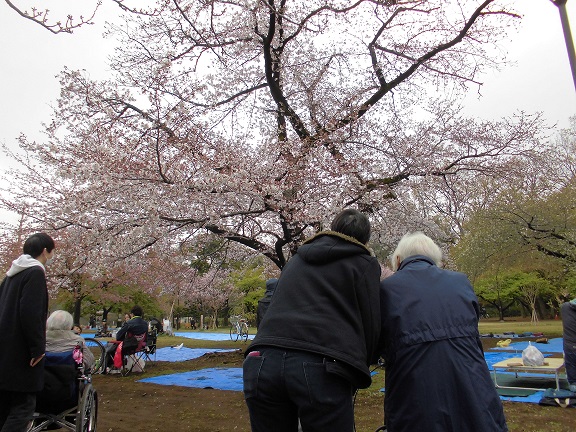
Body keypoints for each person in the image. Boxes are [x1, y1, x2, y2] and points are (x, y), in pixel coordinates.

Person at [243, 209, 381, 432]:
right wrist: (369, 359)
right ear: (366, 238)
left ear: (334, 228)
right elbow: (372, 322)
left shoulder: (297, 259)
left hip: (261, 360)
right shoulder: (364, 263)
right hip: (321, 365)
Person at [378, 232, 507, 432]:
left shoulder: (387, 288)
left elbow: (378, 342)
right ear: (435, 258)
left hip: (414, 392)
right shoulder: (461, 282)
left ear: (397, 259)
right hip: (473, 386)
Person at [0, 232, 55, 431]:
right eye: (51, 252)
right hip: (21, 352)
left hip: (4, 350)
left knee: (5, 406)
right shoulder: (35, 273)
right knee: (23, 407)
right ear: (44, 251)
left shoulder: (11, 275)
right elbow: (31, 313)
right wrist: (37, 349)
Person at [104, 305, 148, 371]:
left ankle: (108, 366)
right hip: (140, 346)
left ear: (132, 314)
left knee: (108, 346)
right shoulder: (145, 323)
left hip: (128, 346)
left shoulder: (129, 323)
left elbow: (118, 336)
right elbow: (146, 337)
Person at [561, 298, 576, 392]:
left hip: (569, 342)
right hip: (570, 341)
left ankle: (573, 385)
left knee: (570, 364)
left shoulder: (564, 307)